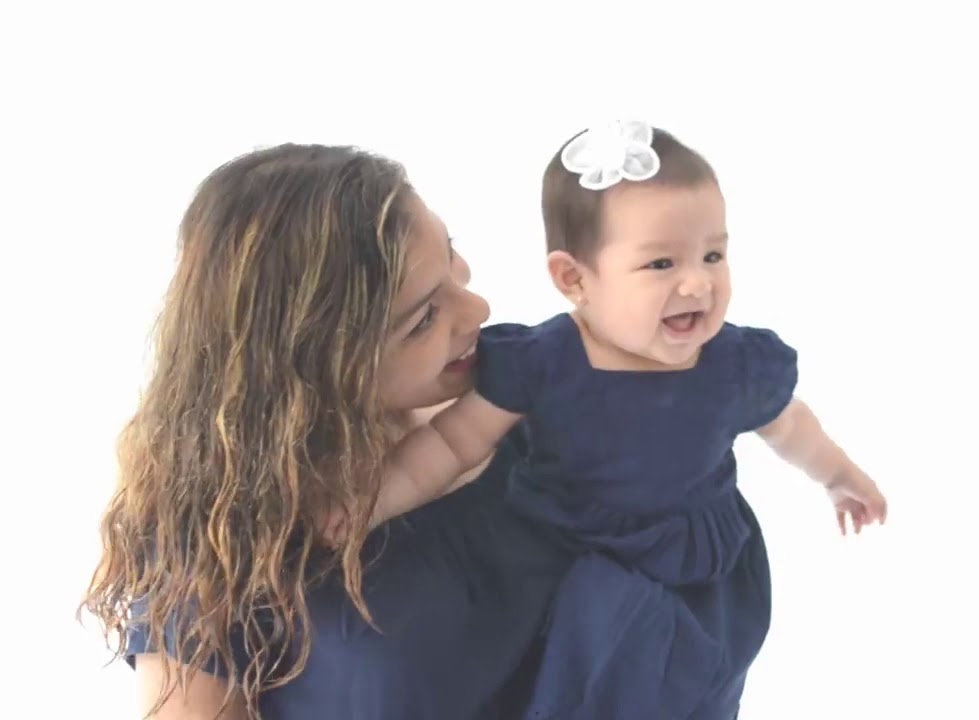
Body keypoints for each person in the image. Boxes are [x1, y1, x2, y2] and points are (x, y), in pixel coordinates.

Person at [338, 121, 890, 719]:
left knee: (687, 677)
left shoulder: (732, 363)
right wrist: (369, 504)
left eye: (713, 254)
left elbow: (789, 426)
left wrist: (840, 477)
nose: (698, 282)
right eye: (661, 263)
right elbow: (451, 445)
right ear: (574, 278)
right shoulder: (545, 363)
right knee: (577, 661)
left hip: (694, 561)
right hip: (572, 545)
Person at [78, 144, 575, 720]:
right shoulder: (215, 542)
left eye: (451, 253)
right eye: (423, 319)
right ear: (315, 366)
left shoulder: (529, 389)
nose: (478, 308)